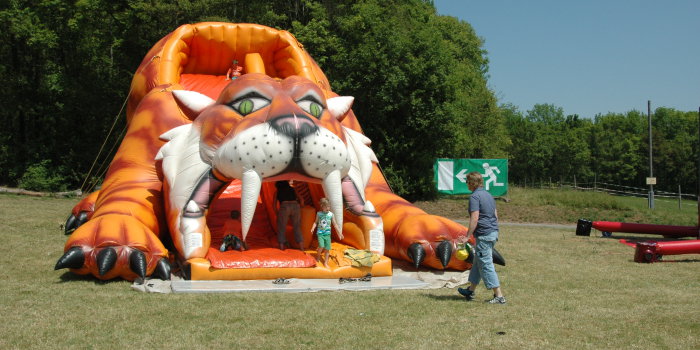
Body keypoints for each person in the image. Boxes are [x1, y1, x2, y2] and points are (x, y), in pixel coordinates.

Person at [457, 171, 506, 304]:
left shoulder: (475, 197)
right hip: (492, 232)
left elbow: (475, 217)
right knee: (478, 262)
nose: (466, 184)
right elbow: (495, 215)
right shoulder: (488, 195)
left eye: (467, 182)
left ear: (472, 183)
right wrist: (493, 230)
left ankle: (499, 296)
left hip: (484, 234)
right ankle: (470, 290)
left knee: (486, 264)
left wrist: (467, 237)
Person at [310, 198, 343, 268]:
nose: (328, 208)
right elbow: (315, 222)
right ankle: (318, 256)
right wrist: (313, 228)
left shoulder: (331, 214)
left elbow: (335, 224)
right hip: (320, 233)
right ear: (322, 206)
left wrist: (340, 233)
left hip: (327, 234)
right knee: (321, 246)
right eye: (326, 206)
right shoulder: (319, 214)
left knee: (327, 249)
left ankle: (326, 263)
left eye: (329, 206)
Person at [275, 180, 304, 251]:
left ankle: (281, 248)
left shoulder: (277, 191)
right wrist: (301, 207)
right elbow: (302, 199)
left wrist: (277, 213)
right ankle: (302, 249)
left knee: (281, 227)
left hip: (284, 206)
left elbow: (273, 204)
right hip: (295, 205)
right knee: (297, 227)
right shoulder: (292, 189)